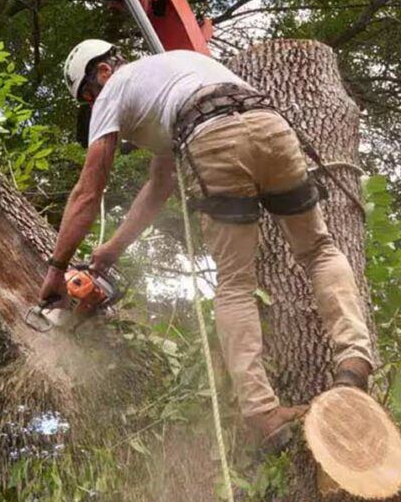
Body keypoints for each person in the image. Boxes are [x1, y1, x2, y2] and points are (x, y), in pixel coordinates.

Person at [39, 40, 375, 448]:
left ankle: (262, 413)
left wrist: (56, 271)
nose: (94, 106)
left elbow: (88, 191)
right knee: (319, 249)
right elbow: (158, 186)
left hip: (212, 137)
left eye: (89, 98)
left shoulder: (114, 89)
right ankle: (355, 359)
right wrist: (112, 250)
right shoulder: (173, 73)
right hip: (271, 125)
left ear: (103, 72)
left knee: (235, 281)